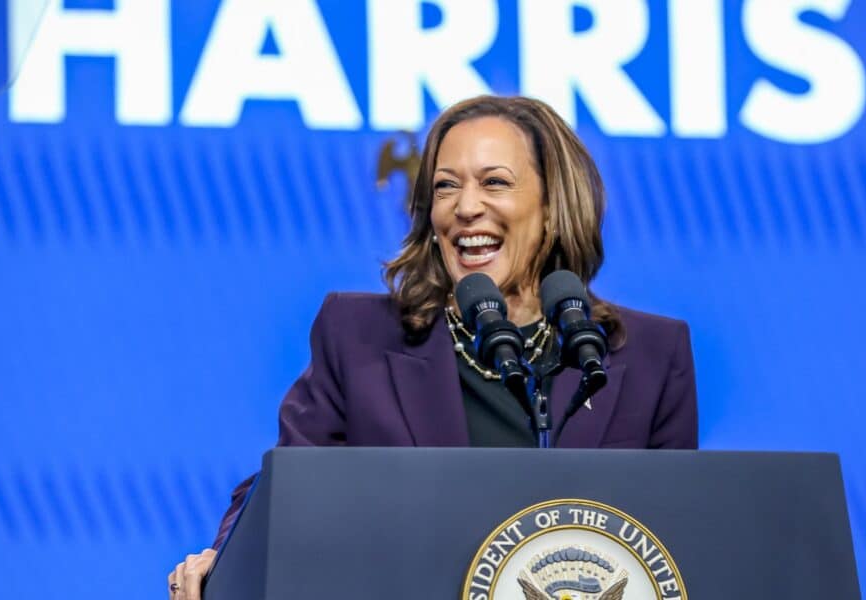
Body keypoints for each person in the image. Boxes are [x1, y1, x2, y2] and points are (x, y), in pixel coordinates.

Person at [166, 95, 697, 600]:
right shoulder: (359, 337)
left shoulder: (649, 354)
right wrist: (224, 556)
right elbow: (288, 483)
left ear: (554, 206)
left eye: (495, 182)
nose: (466, 207)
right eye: (446, 187)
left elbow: (678, 544)